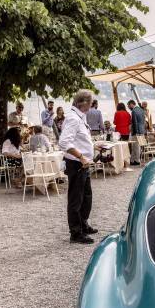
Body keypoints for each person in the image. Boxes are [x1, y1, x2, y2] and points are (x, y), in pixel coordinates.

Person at [59, 90, 96, 244]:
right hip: (77, 163)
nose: (91, 105)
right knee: (76, 198)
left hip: (83, 162)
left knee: (86, 196)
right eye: (90, 103)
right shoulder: (73, 118)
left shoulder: (80, 117)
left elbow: (79, 139)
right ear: (83, 103)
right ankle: (75, 232)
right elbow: (64, 143)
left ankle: (83, 223)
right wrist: (81, 157)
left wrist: (94, 146)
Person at [128, 99, 145, 165]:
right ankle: (132, 160)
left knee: (135, 146)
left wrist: (135, 132)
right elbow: (143, 121)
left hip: (136, 131)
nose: (129, 108)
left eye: (129, 106)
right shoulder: (141, 110)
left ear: (131, 104)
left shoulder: (134, 111)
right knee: (137, 146)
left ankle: (137, 160)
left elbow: (134, 122)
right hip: (142, 130)